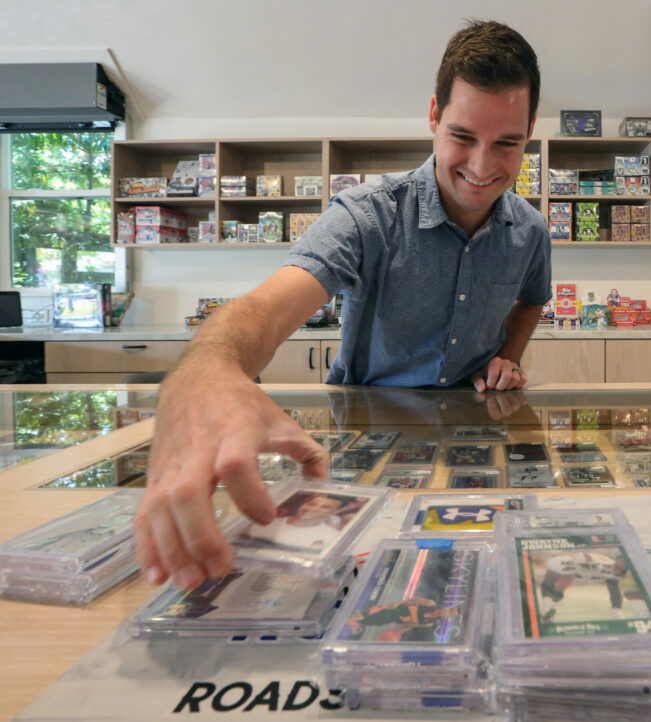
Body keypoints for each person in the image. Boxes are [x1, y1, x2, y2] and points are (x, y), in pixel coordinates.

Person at [134, 20, 549, 591]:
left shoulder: (530, 230)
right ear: (432, 115)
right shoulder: (364, 214)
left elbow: (532, 299)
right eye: (462, 136)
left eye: (507, 142)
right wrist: (207, 368)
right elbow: (270, 305)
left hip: (474, 441)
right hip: (363, 444)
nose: (481, 167)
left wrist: (508, 355)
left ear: (529, 132)